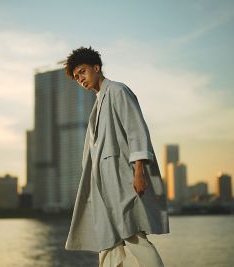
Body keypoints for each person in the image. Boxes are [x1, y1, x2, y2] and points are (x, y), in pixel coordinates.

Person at [64, 46, 170, 267]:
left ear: (96, 67)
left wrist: (139, 172)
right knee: (107, 241)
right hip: (102, 185)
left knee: (132, 235)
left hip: (122, 180)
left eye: (82, 71)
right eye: (76, 77)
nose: (80, 79)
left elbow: (136, 130)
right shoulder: (98, 104)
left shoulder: (118, 91)